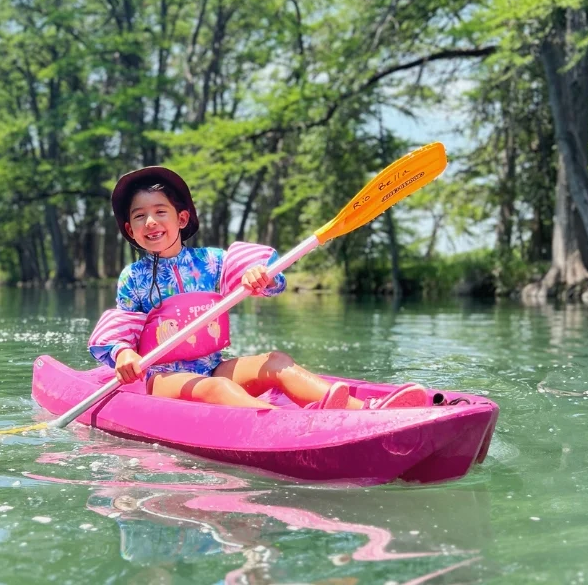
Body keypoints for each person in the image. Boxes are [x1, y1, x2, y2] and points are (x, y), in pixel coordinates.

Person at [88, 166, 428, 410]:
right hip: (161, 378)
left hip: (211, 364)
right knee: (217, 388)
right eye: (139, 217)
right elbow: (120, 330)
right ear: (130, 231)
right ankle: (284, 426)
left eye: (160, 211)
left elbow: (270, 280)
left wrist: (258, 275)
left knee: (276, 361)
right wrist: (124, 354)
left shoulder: (212, 261)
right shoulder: (133, 277)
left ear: (182, 219)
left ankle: (363, 412)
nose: (150, 222)